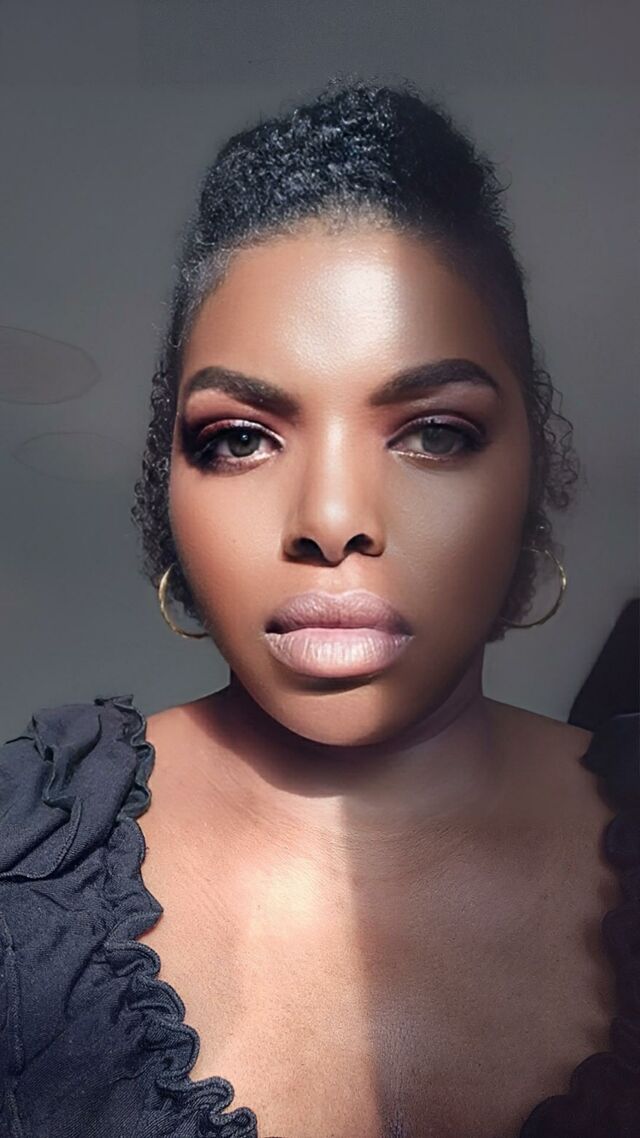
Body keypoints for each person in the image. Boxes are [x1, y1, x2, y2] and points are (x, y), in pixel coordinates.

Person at [1, 76, 638, 1138]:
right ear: (169, 483)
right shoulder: (25, 854)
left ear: (531, 475)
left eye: (433, 432)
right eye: (240, 438)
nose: (332, 519)